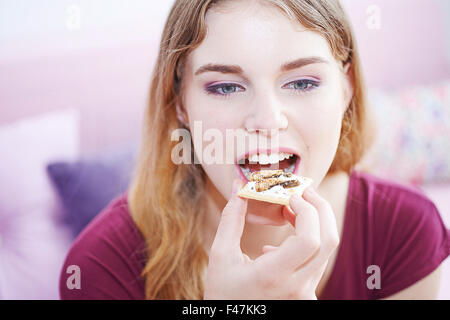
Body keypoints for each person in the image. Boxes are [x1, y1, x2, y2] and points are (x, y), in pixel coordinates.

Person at [59, 0, 450, 300]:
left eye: (301, 83)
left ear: (345, 88)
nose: (266, 119)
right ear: (180, 102)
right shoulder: (99, 267)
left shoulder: (409, 232)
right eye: (226, 87)